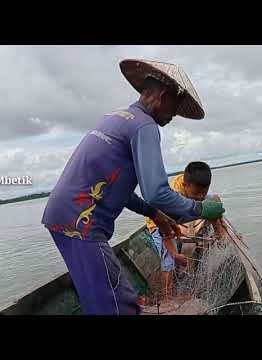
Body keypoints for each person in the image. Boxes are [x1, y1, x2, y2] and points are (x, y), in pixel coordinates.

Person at [41, 59, 225, 315]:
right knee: (118, 304)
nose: (174, 116)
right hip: (80, 224)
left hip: (63, 217)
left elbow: (118, 188)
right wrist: (202, 209)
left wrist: (154, 214)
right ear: (162, 96)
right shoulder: (145, 126)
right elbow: (157, 192)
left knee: (99, 298)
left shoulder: (116, 118)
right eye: (175, 108)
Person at [145, 161, 225, 302]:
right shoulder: (173, 196)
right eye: (197, 194)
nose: (200, 196)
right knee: (168, 260)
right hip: (159, 223)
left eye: (203, 192)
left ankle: (219, 232)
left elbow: (214, 200)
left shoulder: (194, 183)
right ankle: (167, 299)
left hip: (178, 217)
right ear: (184, 186)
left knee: (214, 202)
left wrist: (220, 223)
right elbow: (166, 230)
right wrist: (175, 254)